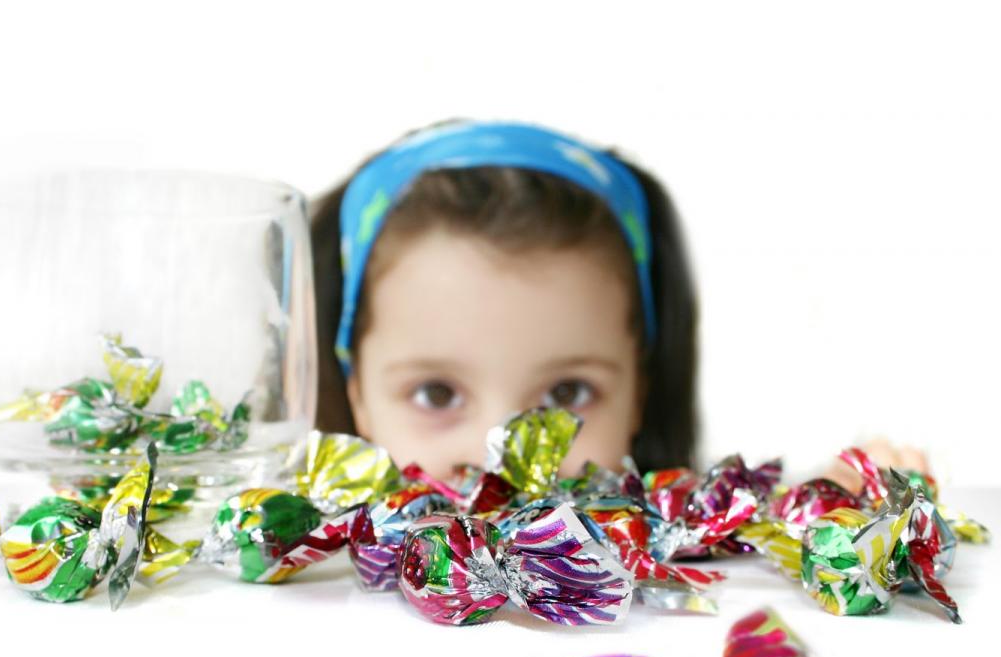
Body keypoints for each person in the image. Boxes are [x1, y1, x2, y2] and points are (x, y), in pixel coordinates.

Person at [309, 118, 924, 488]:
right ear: (357, 394)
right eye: (437, 394)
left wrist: (840, 504)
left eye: (565, 395)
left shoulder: (685, 537)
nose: (503, 463)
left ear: (640, 389)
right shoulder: (303, 571)